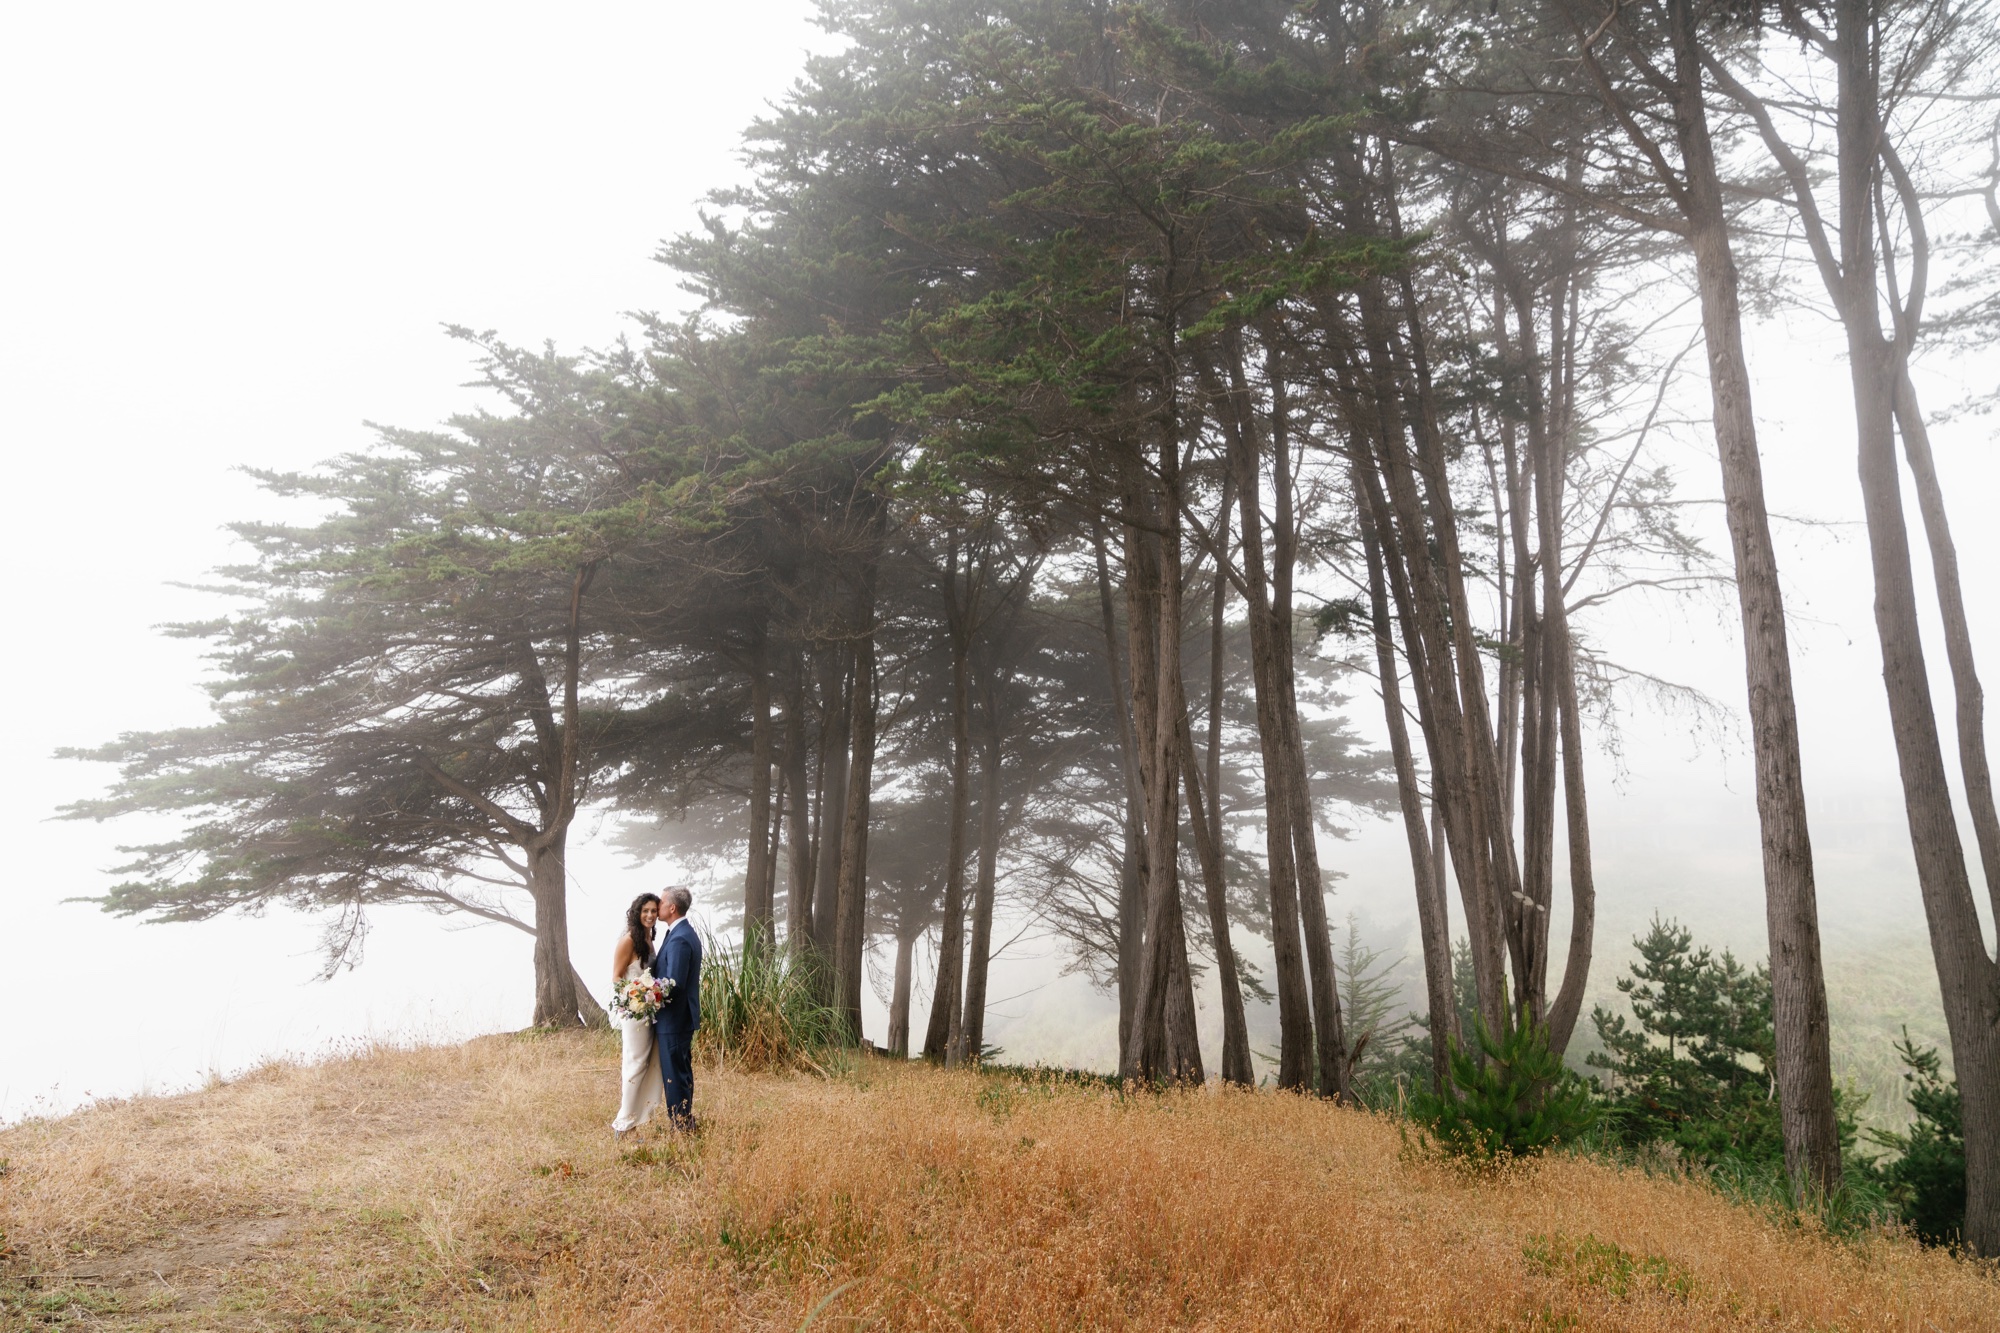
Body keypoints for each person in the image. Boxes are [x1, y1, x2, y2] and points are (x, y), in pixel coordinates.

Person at [610, 892, 665, 1137]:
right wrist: (634, 999)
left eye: (654, 911)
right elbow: (617, 977)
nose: (650, 915)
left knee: (648, 1063)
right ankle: (623, 1124)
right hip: (634, 1012)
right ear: (637, 912)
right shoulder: (629, 940)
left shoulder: (648, 937)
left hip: (649, 1010)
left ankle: (637, 1119)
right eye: (646, 911)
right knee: (635, 1064)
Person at [653, 885, 703, 1130]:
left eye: (661, 903)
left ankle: (681, 1123)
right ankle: (684, 1119)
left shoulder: (680, 938)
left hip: (674, 1019)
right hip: (679, 1018)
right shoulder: (680, 932)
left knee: (675, 1073)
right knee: (680, 1070)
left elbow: (674, 983)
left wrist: (648, 994)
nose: (657, 907)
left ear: (672, 908)